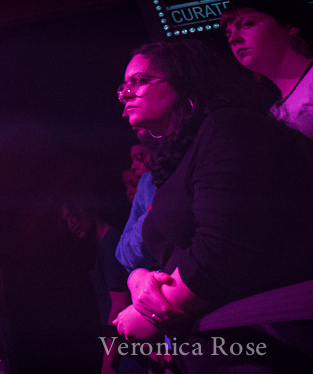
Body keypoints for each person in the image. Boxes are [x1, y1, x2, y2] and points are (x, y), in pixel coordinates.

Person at [113, 40, 313, 372]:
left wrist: (150, 310)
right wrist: (139, 278)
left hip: (267, 340)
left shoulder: (230, 128)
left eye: (139, 80)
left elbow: (225, 253)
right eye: (124, 85)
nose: (125, 94)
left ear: (184, 80)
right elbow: (178, 249)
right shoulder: (182, 154)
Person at [222, 0, 313, 139]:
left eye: (247, 24)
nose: (233, 38)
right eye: (228, 33)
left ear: (289, 26)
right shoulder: (272, 115)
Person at [61, 193, 130, 374]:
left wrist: (108, 362)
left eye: (74, 216)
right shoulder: (104, 246)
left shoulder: (110, 244)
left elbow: (119, 306)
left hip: (127, 350)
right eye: (67, 220)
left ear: (88, 209)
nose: (71, 224)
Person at [115, 142, 156, 273]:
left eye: (139, 158)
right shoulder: (146, 184)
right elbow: (122, 254)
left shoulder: (148, 179)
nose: (133, 166)